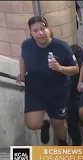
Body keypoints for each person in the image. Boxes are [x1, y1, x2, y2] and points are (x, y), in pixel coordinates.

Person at [16, 15, 79, 145]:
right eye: (35, 30)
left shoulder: (62, 46)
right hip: (35, 90)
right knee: (32, 124)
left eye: (42, 28)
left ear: (48, 29)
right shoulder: (27, 45)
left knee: (58, 126)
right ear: (31, 33)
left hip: (58, 92)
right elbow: (22, 57)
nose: (40, 33)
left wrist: (60, 68)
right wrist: (22, 73)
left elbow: (75, 69)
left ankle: (63, 142)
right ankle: (44, 125)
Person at [67, 44, 83, 146]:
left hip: (70, 98)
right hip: (81, 97)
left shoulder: (68, 66)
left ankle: (77, 144)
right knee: (82, 120)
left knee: (72, 124)